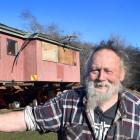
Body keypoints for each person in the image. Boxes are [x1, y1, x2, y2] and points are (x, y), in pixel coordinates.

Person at [0, 40, 139, 140]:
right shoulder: (68, 101)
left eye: (108, 71)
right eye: (95, 70)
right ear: (86, 73)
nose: (101, 77)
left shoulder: (137, 109)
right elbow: (28, 119)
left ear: (122, 74)